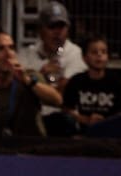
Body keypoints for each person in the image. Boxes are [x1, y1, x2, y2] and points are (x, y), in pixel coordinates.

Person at [17, 1, 87, 136]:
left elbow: (62, 97)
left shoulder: (76, 54)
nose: (57, 33)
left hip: (65, 117)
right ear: (40, 30)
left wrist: (36, 84)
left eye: (61, 27)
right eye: (52, 26)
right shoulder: (26, 55)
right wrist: (41, 74)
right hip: (33, 115)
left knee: (63, 121)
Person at [62, 34, 121, 135]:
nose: (99, 55)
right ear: (84, 57)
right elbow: (67, 109)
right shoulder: (76, 81)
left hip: (110, 131)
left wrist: (105, 121)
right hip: (83, 131)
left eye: (103, 52)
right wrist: (85, 119)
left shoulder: (115, 81)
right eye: (94, 52)